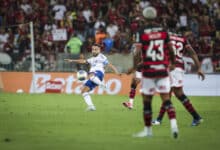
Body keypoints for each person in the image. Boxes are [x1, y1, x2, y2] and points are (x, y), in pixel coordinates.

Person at [133, 6, 179, 138]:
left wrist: (135, 66)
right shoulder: (163, 31)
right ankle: (174, 126)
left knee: (147, 101)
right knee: (166, 99)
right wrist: (173, 63)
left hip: (148, 71)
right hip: (162, 69)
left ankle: (148, 131)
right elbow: (171, 49)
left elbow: (137, 52)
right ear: (155, 16)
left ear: (144, 17)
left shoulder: (141, 31)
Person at [152, 32, 205, 126]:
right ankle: (158, 120)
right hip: (179, 68)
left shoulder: (164, 37)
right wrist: (199, 67)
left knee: (175, 93)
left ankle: (197, 117)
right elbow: (192, 53)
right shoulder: (182, 39)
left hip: (171, 67)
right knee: (170, 93)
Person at [65, 43, 120, 111]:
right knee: (84, 91)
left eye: (96, 49)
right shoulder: (91, 59)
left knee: (91, 75)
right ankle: (91, 106)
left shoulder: (102, 57)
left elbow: (109, 65)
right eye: (93, 49)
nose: (94, 51)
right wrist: (72, 60)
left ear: (99, 50)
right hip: (94, 78)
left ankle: (102, 85)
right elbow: (83, 61)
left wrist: (116, 72)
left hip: (99, 74)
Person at [122, 43, 142, 109]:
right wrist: (132, 70)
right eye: (133, 48)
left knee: (136, 83)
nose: (134, 49)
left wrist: (133, 70)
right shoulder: (135, 55)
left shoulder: (143, 54)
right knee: (133, 84)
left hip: (146, 70)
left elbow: (141, 63)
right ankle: (130, 103)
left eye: (135, 48)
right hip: (139, 70)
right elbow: (135, 65)